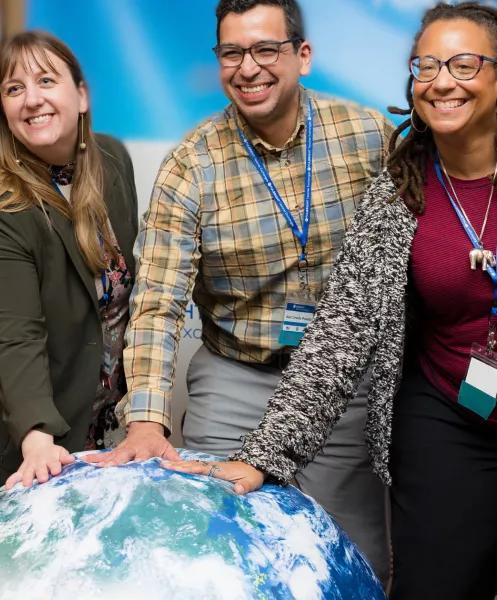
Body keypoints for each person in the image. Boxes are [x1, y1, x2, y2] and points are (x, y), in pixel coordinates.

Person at [166, 2, 497, 599]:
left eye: (465, 63)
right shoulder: (402, 184)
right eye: (427, 65)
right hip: (451, 409)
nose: (442, 80)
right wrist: (266, 455)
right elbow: (343, 329)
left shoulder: (362, 135)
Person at [87, 0, 393, 583]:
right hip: (235, 376)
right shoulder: (191, 164)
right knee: (219, 554)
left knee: (350, 563)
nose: (248, 68)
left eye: (265, 49)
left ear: (302, 56)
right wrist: (147, 420)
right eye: (232, 53)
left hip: (340, 387)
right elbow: (158, 299)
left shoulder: (367, 136)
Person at [0, 31, 138, 490]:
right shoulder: (8, 205)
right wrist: (36, 434)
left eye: (45, 80)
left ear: (81, 95)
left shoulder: (114, 159)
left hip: (112, 424)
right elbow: (17, 334)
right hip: (44, 437)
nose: (31, 99)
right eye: (14, 88)